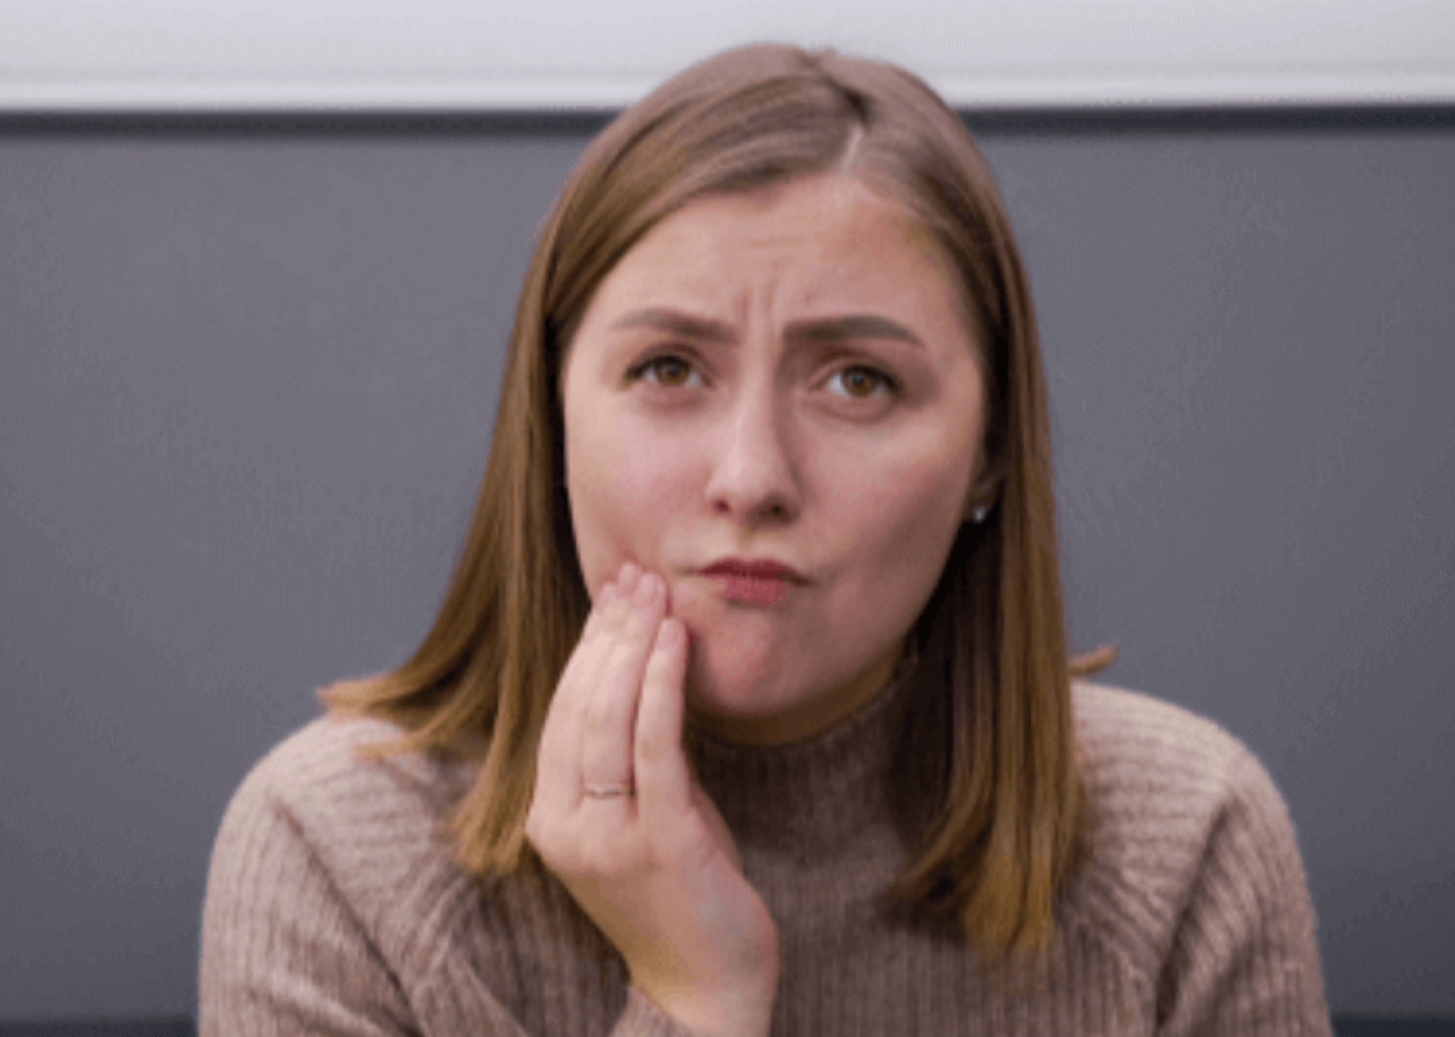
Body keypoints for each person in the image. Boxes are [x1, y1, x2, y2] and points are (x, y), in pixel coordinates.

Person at [199, 42, 1334, 1036]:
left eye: (859, 381)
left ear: (991, 452)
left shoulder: (1188, 840)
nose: (751, 477)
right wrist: (691, 1000)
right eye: (669, 369)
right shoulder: (331, 852)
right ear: (549, 421)